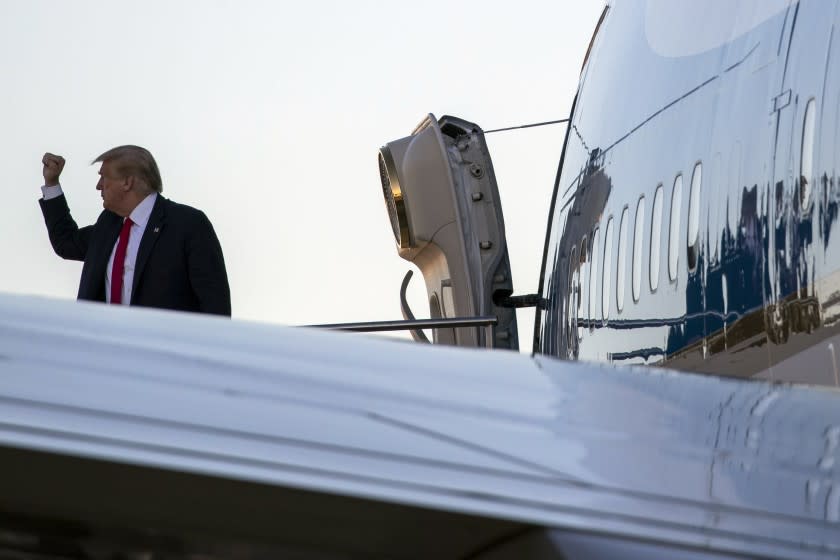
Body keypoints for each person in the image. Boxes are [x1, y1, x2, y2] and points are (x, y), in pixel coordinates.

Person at [39, 145, 231, 316]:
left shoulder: (188, 225)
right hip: (105, 351)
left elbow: (215, 306)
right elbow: (65, 242)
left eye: (104, 177)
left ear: (127, 182)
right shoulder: (108, 224)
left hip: (161, 353)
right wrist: (52, 183)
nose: (98, 186)